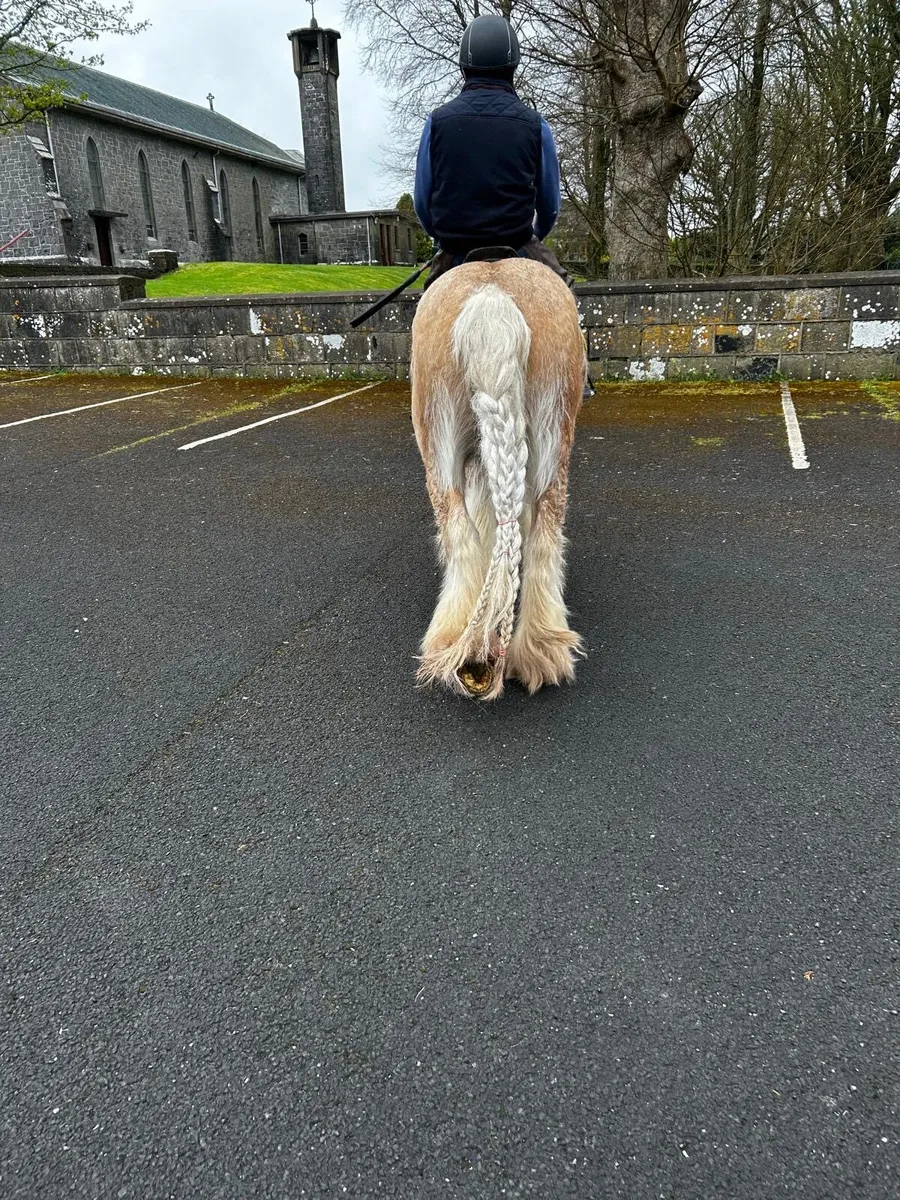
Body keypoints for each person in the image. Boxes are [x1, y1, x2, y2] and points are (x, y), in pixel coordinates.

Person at [413, 14, 573, 292]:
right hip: (518, 243)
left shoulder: (436, 122)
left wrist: (443, 240)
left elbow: (421, 203)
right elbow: (549, 207)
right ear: (513, 67)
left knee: (427, 310)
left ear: (464, 68)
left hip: (455, 250)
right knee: (565, 296)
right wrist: (533, 236)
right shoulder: (536, 125)